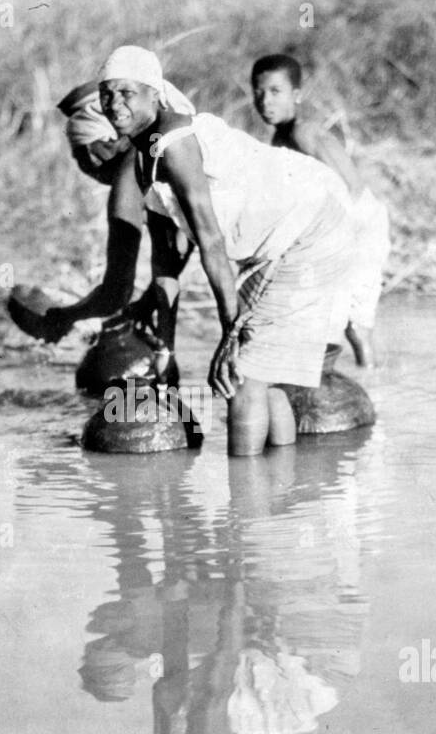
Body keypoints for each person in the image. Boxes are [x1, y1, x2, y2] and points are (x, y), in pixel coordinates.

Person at [98, 44, 356, 457]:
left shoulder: (174, 142)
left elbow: (211, 241)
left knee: (240, 373)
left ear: (154, 93)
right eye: (106, 94)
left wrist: (229, 331)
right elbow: (166, 265)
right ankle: (278, 491)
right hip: (284, 237)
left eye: (126, 93)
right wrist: (165, 353)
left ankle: (246, 509)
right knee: (264, 374)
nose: (114, 105)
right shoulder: (147, 158)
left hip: (310, 226)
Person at [32, 79, 195, 355]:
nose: (88, 166)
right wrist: (165, 349)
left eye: (84, 154)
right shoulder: (164, 149)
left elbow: (116, 292)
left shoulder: (132, 170)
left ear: (112, 137)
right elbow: (173, 259)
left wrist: (65, 317)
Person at [251, 53, 390, 367]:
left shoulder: (303, 132)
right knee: (328, 318)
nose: (265, 101)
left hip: (360, 223)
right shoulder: (280, 138)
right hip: (339, 225)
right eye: (258, 93)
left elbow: (349, 188)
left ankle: (374, 386)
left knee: (355, 324)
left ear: (297, 96)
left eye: (275, 92)